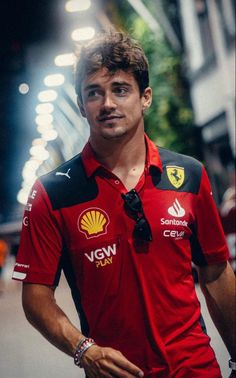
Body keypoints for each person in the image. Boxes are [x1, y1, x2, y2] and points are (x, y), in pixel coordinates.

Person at [13, 31, 235, 378]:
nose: (107, 104)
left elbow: (217, 273)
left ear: (145, 97)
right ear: (80, 105)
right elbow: (36, 297)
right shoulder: (51, 193)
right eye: (93, 93)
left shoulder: (189, 175)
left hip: (195, 369)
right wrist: (84, 349)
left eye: (120, 88)